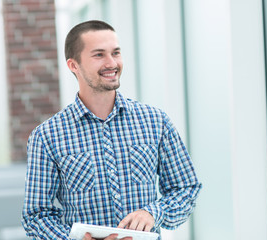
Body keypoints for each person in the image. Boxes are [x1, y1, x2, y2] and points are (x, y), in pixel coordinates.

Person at [22, 20, 202, 240]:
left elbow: (185, 188)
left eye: (115, 53)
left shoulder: (156, 121)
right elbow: (36, 215)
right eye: (99, 55)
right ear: (73, 65)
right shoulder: (47, 136)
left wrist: (153, 213)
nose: (112, 63)